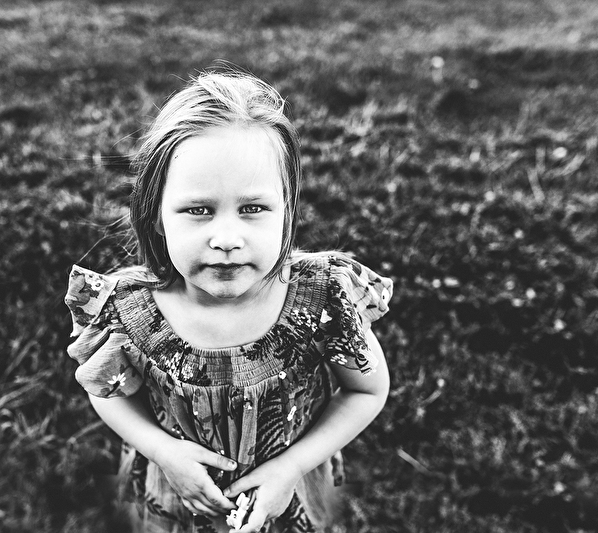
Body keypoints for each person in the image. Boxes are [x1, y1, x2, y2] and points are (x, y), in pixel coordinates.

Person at [64, 69, 393, 533]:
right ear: (156, 216)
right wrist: (163, 451)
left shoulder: (322, 300)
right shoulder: (128, 313)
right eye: (198, 210)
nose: (226, 239)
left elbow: (367, 390)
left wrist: (292, 466)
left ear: (286, 211)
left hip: (289, 495)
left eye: (252, 209)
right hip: (175, 499)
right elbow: (108, 391)